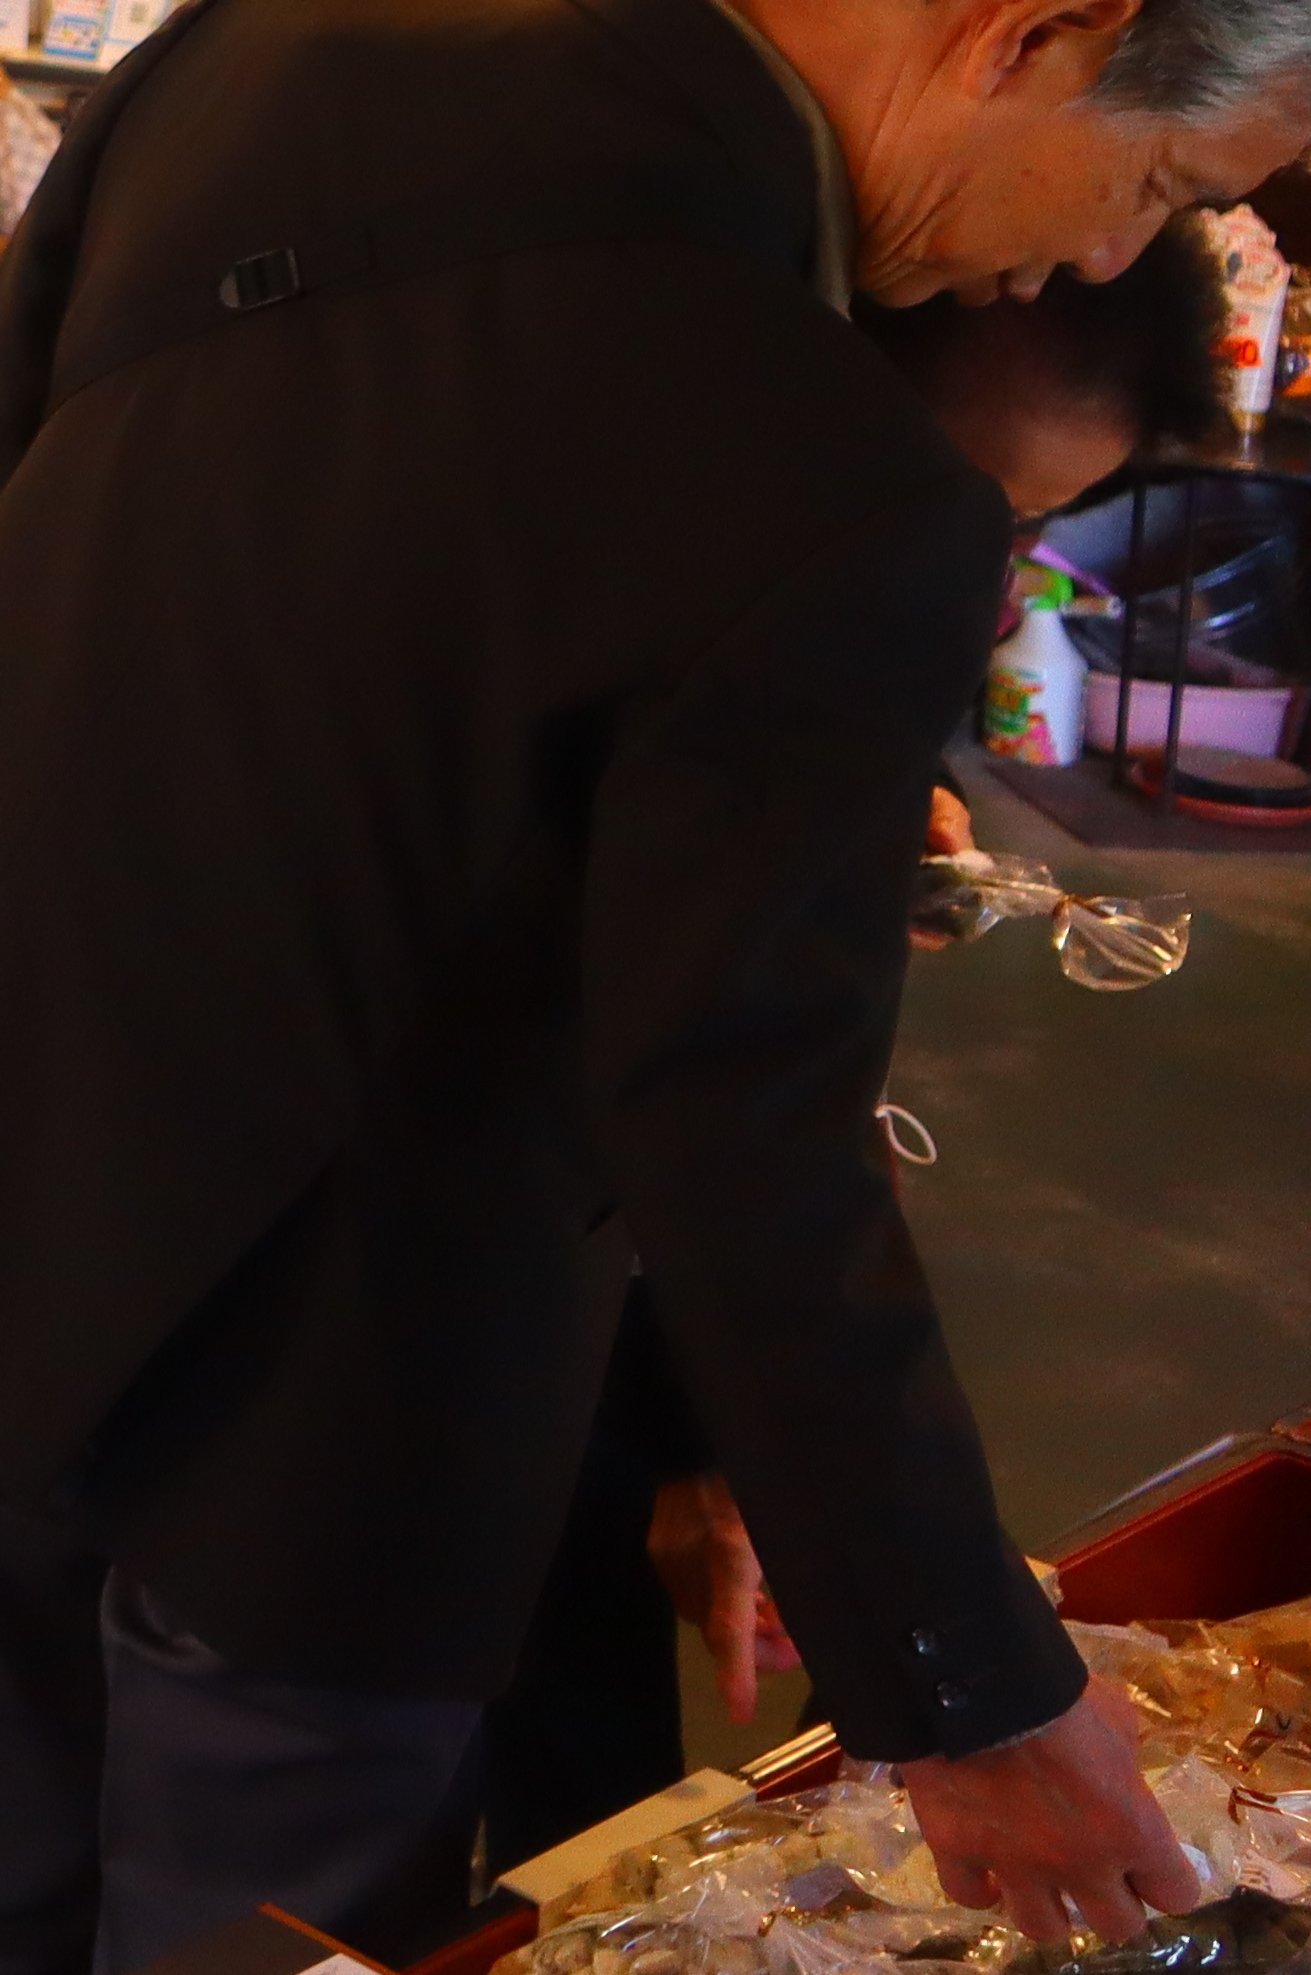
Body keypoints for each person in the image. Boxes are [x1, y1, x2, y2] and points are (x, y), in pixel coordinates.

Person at [0, 0, 1311, 1975]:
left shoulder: (301, 25)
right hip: (335, 1378)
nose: (1099, 251)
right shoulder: (830, 477)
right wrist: (973, 1695)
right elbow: (744, 1132)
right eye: (1171, 179)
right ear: (1050, 24)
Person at [484, 223, 1244, 1877]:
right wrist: (971, 1699)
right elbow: (744, 1127)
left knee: (583, 1802)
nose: (978, 580)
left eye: (1029, 530)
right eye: (977, 512)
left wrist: (692, 1449)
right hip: (405, 1338)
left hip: (578, 1294)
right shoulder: (635, 568)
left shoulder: (781, 593)